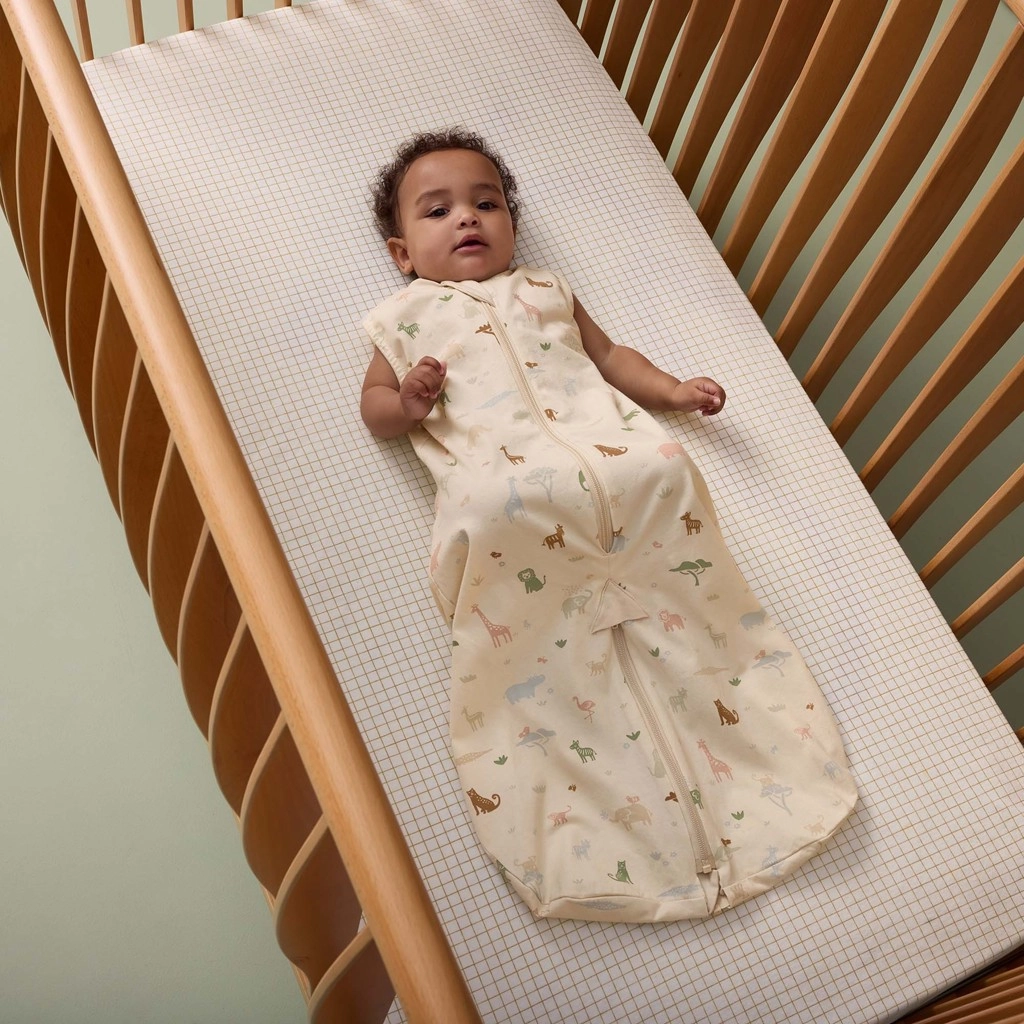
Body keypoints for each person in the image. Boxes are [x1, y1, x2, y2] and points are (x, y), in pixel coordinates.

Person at [360, 129, 856, 924]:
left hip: (628, 477)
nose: (468, 218)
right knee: (535, 643)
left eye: (487, 203)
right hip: (507, 503)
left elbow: (612, 357)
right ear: (402, 253)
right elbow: (375, 408)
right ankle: (611, 832)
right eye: (439, 210)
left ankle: (760, 789)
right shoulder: (402, 320)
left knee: (674, 510)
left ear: (512, 225)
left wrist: (672, 390)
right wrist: (408, 401)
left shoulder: (547, 291)